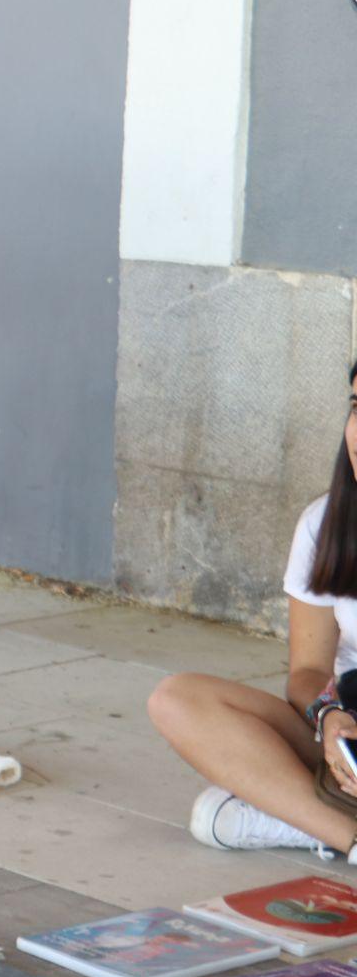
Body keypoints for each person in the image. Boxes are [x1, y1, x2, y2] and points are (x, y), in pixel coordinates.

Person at [151, 363, 357, 860]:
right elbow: (308, 672)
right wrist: (330, 717)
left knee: (216, 817)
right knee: (176, 699)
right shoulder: (325, 524)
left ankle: (291, 814)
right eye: (356, 406)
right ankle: (345, 834)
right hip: (350, 733)